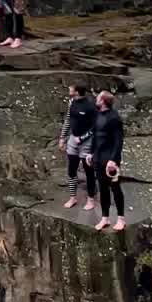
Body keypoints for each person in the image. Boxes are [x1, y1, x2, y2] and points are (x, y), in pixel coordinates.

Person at [89, 90, 126, 232]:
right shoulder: (98, 116)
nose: (96, 100)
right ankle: (105, 218)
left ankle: (121, 219)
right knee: (103, 188)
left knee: (115, 188)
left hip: (109, 159)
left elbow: (118, 141)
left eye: (98, 98)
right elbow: (95, 136)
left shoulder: (114, 118)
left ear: (103, 101)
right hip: (98, 158)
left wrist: (114, 160)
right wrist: (90, 154)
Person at [59, 82, 98, 212]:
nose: (69, 89)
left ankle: (91, 199)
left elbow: (95, 127)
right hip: (72, 140)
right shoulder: (71, 103)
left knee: (88, 172)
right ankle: (72, 197)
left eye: (71, 88)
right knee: (71, 170)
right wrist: (62, 138)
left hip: (86, 142)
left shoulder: (90, 106)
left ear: (77, 91)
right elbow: (68, 120)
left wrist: (82, 138)